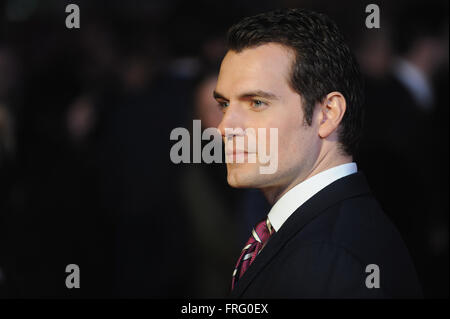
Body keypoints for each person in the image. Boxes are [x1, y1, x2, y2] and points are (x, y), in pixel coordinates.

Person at [213, 8, 422, 298]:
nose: (224, 127)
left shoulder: (328, 257)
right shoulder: (328, 234)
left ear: (328, 114)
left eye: (257, 103)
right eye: (224, 104)